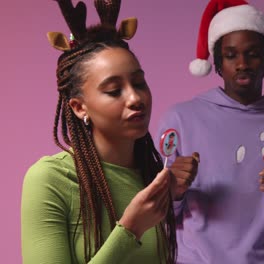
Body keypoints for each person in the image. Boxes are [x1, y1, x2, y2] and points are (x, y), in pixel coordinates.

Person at [156, 0, 264, 263]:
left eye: (253, 53)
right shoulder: (179, 120)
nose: (242, 64)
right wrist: (174, 191)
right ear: (219, 61)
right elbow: (154, 218)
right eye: (231, 55)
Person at [21, 0, 176, 263]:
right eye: (114, 90)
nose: (135, 97)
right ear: (80, 107)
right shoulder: (51, 179)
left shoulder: (151, 173)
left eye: (139, 83)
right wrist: (130, 229)